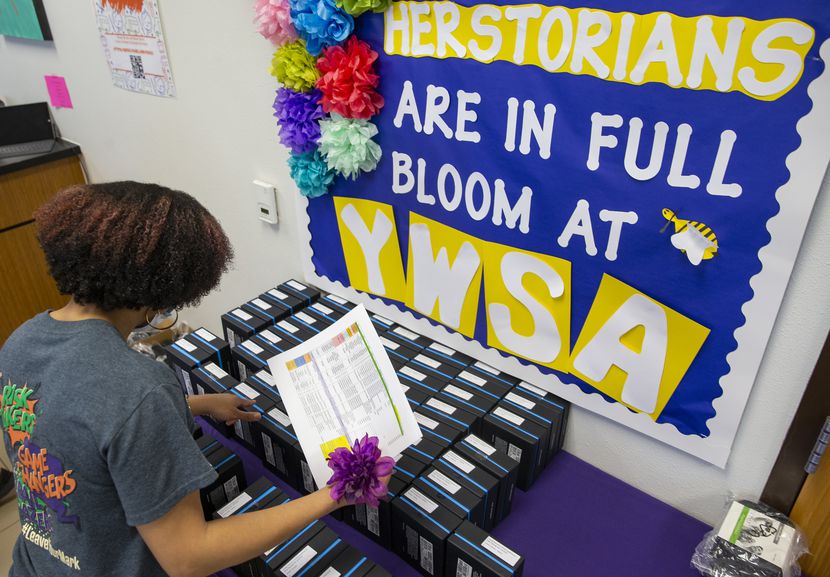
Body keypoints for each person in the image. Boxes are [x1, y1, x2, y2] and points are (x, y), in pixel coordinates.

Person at [0, 182, 372, 577]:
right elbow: (189, 556)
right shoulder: (141, 388)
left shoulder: (21, 340)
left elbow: (79, 427)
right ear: (167, 287)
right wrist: (334, 495)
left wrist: (196, 404)